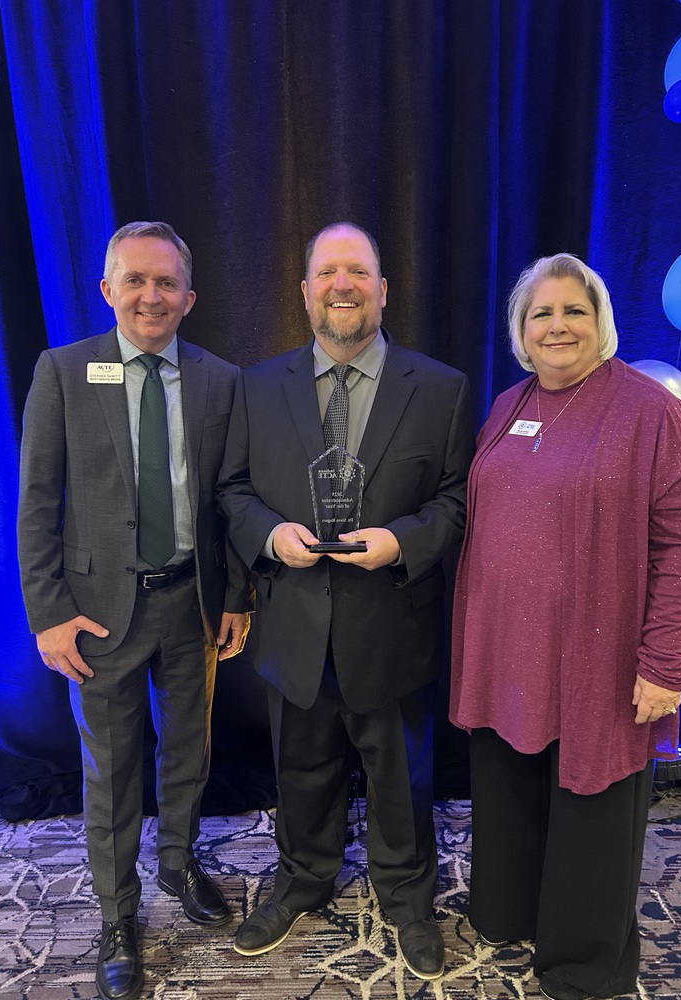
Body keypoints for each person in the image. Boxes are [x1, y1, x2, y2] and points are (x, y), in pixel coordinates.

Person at [450, 253, 681, 1000]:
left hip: (601, 655)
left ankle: (582, 962)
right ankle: (510, 912)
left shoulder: (646, 410)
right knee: (511, 780)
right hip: (508, 648)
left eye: (575, 310)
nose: (558, 325)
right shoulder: (509, 404)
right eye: (542, 313)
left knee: (590, 803)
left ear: (601, 323)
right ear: (520, 330)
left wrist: (665, 662)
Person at [216, 221, 475, 981]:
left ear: (382, 289)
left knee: (401, 776)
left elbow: (458, 502)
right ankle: (302, 879)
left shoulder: (442, 389)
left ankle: (407, 897)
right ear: (305, 292)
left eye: (357, 271)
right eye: (327, 272)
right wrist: (269, 536)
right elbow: (232, 491)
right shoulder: (256, 387)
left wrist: (402, 541)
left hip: (392, 621)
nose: (342, 284)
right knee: (300, 769)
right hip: (294, 619)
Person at [17, 221, 253, 1000]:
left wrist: (238, 595)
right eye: (136, 280)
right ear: (107, 289)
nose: (151, 295)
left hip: (193, 603)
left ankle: (178, 864)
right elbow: (36, 501)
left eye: (166, 283)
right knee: (113, 771)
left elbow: (233, 498)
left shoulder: (221, 380)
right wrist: (48, 612)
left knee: (188, 749)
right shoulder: (63, 371)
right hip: (98, 616)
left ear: (189, 297)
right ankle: (118, 915)